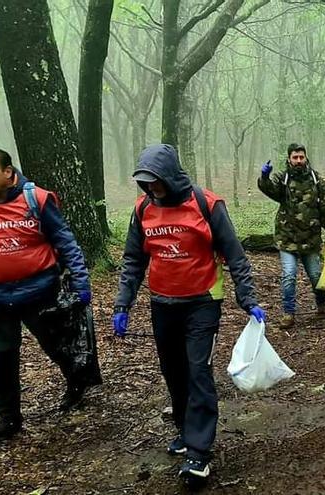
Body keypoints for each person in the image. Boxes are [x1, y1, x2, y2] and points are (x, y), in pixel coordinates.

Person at [112, 144, 265, 486]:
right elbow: (134, 260)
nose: (152, 188)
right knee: (173, 371)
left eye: (156, 181)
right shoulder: (143, 210)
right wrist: (123, 304)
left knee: (198, 371)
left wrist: (248, 297)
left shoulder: (206, 204)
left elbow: (234, 254)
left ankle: (199, 452)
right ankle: (184, 429)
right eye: (145, 182)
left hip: (202, 301)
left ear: (169, 175)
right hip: (162, 303)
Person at [0, 148, 93, 444]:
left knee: (56, 346)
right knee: (1, 359)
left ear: (8, 173)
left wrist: (81, 279)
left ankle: (76, 383)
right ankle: (8, 418)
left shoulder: (36, 199)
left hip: (39, 292)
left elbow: (65, 240)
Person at [258, 143, 325, 330]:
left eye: (301, 157)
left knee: (316, 276)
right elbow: (270, 190)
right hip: (287, 239)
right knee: (288, 276)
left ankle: (321, 306)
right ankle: (288, 313)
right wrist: (264, 176)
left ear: (306, 158)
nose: (299, 161)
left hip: (311, 238)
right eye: (295, 157)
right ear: (289, 159)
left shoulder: (315, 179)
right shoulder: (282, 178)